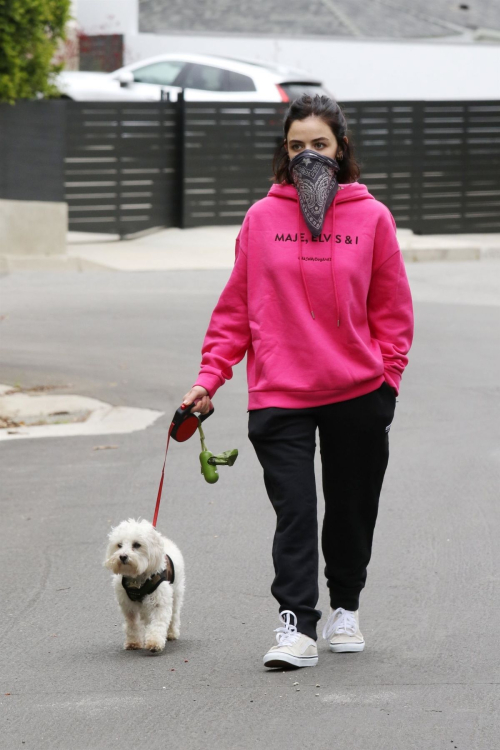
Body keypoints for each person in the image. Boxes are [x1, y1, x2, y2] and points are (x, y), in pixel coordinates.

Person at [183, 94, 414, 669]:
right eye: (296, 147)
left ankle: (346, 610)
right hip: (280, 392)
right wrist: (210, 378)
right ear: (283, 155)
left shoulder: (372, 217)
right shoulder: (262, 219)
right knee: (295, 510)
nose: (307, 156)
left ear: (341, 150)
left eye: (319, 145)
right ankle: (296, 628)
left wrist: (387, 380)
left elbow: (392, 311)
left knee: (351, 506)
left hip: (358, 391)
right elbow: (237, 307)